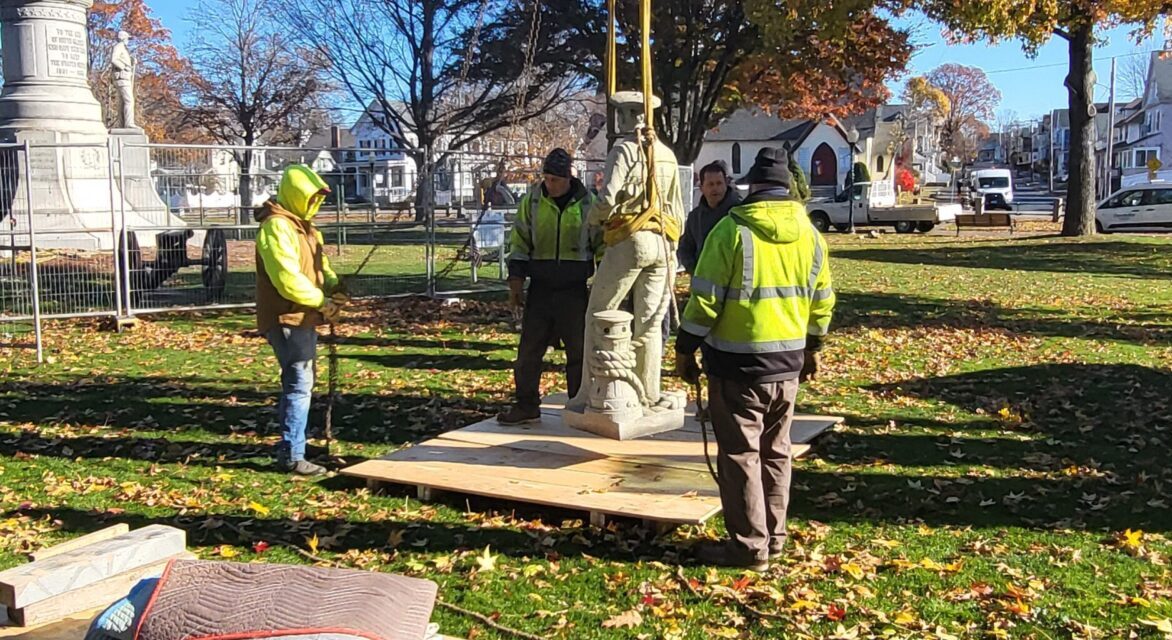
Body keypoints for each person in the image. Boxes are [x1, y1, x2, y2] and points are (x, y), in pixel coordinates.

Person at [676, 147, 835, 569]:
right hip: (788, 366)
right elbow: (822, 302)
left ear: (750, 186)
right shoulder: (810, 235)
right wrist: (813, 348)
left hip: (736, 366)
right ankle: (774, 539)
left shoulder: (730, 231)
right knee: (776, 451)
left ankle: (749, 547)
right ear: (786, 188)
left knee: (741, 455)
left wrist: (684, 349)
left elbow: (704, 301)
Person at [567, 91, 685, 414]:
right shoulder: (667, 154)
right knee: (649, 324)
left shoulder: (624, 150)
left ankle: (587, 392)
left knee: (597, 313)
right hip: (662, 241)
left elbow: (606, 200)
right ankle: (649, 391)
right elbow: (678, 209)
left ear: (627, 116)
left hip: (631, 240)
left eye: (621, 113)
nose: (618, 119)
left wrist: (592, 220)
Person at [255, 165, 348, 476]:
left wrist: (336, 287)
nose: (314, 205)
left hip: (304, 316)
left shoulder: (306, 228)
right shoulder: (277, 227)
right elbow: (286, 279)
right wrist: (322, 301)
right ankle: (293, 455)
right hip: (286, 318)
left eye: (317, 200)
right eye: (310, 198)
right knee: (298, 384)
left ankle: (292, 446)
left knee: (298, 383)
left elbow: (322, 266)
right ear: (296, 195)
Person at [498, 149, 600, 425]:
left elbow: (601, 245)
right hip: (541, 288)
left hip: (574, 290)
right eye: (547, 178)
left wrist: (603, 287)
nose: (550, 184)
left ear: (569, 178)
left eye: (556, 179)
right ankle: (526, 404)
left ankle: (578, 408)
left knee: (578, 352)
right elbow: (519, 240)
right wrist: (516, 281)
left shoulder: (590, 204)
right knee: (529, 351)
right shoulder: (532, 201)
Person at [678, 161, 740, 275]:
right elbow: (685, 248)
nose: (715, 188)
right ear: (701, 187)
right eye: (710, 184)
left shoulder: (739, 212)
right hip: (703, 283)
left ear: (726, 184)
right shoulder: (695, 217)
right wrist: (695, 269)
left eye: (719, 183)